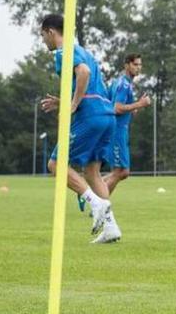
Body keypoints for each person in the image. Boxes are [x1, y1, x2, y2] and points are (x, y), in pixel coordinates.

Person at [39, 13, 121, 243]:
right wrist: (63, 102)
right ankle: (111, 227)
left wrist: (74, 104)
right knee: (92, 171)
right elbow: (91, 80)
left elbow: (82, 72)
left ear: (50, 32)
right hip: (107, 115)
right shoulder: (86, 51)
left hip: (90, 115)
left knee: (55, 164)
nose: (43, 41)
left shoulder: (63, 52)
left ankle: (97, 204)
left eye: (42, 36)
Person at [103, 53, 151, 195]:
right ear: (127, 65)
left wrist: (134, 107)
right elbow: (117, 108)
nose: (138, 68)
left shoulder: (121, 82)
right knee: (121, 171)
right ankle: (98, 204)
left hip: (118, 130)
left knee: (121, 172)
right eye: (135, 64)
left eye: (140, 65)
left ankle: (89, 193)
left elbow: (114, 105)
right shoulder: (124, 84)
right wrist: (140, 103)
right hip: (117, 130)